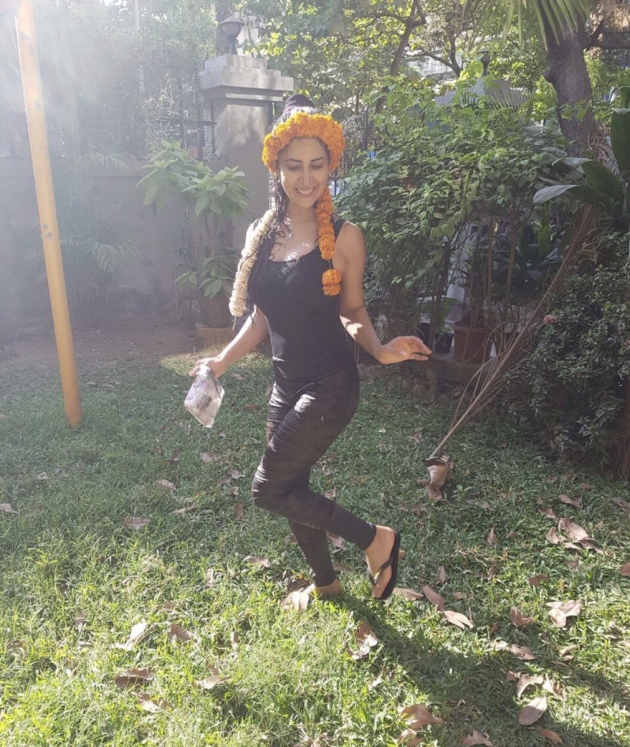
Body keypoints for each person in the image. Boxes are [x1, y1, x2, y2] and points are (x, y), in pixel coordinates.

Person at [191, 94, 431, 601]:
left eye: (316, 165)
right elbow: (262, 316)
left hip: (331, 384)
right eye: (294, 166)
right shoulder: (262, 234)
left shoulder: (345, 237)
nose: (306, 178)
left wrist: (380, 350)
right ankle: (327, 585)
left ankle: (377, 540)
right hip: (286, 385)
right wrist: (220, 361)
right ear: (277, 167)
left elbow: (352, 310)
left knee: (267, 488)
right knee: (290, 486)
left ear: (330, 166)